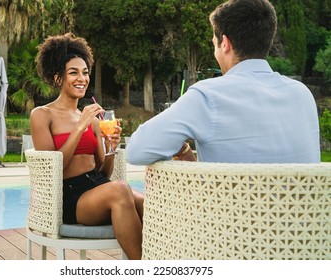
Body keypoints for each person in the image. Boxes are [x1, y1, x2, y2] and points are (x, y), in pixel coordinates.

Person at [127, 0, 320, 165]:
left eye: (214, 44)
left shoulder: (208, 96)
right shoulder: (302, 95)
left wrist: (182, 146)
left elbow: (135, 151)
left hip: (229, 209)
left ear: (225, 44)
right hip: (299, 209)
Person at [30, 33, 143, 260]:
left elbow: (103, 172)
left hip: (98, 187)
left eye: (85, 72)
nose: (81, 78)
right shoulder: (42, 115)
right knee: (121, 189)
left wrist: (111, 148)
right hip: (69, 197)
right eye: (73, 72)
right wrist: (79, 128)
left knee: (151, 204)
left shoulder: (91, 118)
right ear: (58, 78)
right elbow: (52, 171)